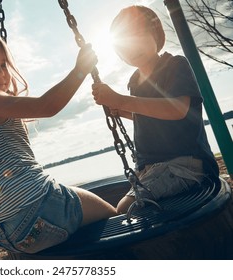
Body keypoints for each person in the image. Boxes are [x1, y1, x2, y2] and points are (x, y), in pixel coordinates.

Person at [0, 33, 116, 254]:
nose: (0, 72)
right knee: (113, 217)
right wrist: (80, 70)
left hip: (8, 231)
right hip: (38, 205)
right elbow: (47, 106)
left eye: (2, 64)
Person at [91, 6, 219, 214]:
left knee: (126, 209)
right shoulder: (134, 81)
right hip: (150, 167)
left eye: (139, 36)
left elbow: (176, 110)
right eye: (125, 44)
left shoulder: (174, 65)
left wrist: (121, 100)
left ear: (156, 34)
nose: (133, 48)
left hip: (185, 164)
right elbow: (148, 116)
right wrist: (119, 109)